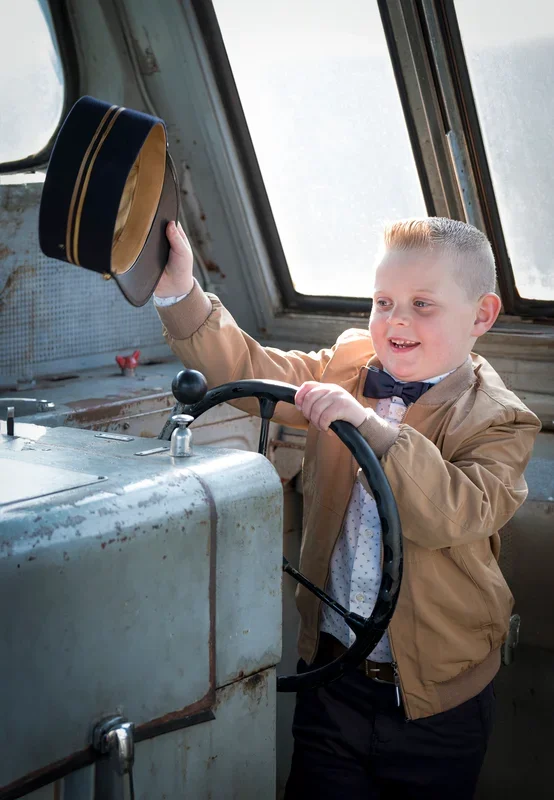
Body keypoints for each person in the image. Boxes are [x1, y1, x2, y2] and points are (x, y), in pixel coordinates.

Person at [154, 216, 540, 799]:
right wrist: (180, 293)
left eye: (422, 304)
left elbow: (458, 510)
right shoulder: (349, 365)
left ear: (481, 316)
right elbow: (256, 370)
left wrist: (371, 428)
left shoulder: (499, 418)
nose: (396, 321)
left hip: (438, 701)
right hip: (334, 673)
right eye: (383, 301)